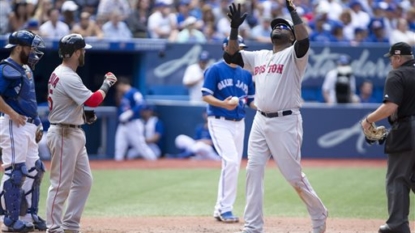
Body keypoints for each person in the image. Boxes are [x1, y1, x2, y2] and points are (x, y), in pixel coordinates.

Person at [224, 2, 328, 233]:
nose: (278, 27)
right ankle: (252, 226)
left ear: (291, 36)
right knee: (253, 169)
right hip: (261, 120)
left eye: (284, 26)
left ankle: (319, 213)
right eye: (275, 26)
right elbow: (231, 57)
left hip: (286, 121)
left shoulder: (294, 55)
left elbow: (304, 41)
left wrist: (292, 12)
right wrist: (233, 29)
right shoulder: (259, 56)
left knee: (293, 176)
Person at [45, 33, 118, 233]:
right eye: (83, 50)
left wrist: (85, 114)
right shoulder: (67, 75)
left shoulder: (65, 72)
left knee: (84, 181)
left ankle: (70, 224)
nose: (84, 52)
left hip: (72, 130)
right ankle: (53, 227)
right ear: (76, 52)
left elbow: (77, 103)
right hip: (63, 132)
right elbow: (93, 100)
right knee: (60, 185)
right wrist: (107, 83)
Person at [361, 42, 415, 233]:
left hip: (408, 130)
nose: (391, 62)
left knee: (398, 179)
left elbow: (391, 106)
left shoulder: (397, 74)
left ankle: (397, 225)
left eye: (392, 58)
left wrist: (368, 120)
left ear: (399, 58)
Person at [202, 35, 255, 223]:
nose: (239, 50)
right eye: (236, 47)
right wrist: (223, 105)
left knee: (234, 164)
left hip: (239, 122)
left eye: (241, 47)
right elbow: (206, 96)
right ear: (226, 48)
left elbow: (250, 101)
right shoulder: (215, 69)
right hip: (219, 121)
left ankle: (220, 208)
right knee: (231, 161)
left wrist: (268, 106)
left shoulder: (246, 73)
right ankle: (225, 208)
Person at [0, 30, 47, 232]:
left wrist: (37, 123)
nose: (33, 52)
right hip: (14, 124)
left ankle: (29, 215)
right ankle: (10, 220)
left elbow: (29, 99)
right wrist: (11, 113)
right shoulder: (6, 68)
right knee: (15, 172)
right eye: (30, 48)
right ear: (19, 48)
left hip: (28, 124)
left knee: (35, 169)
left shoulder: (25, 68)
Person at [114, 78, 157, 161]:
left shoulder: (134, 92)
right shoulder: (124, 94)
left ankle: (154, 163)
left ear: (122, 84)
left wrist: (131, 113)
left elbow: (141, 103)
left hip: (133, 123)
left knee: (141, 147)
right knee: (119, 148)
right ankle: (117, 168)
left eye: (118, 86)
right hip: (123, 125)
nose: (118, 88)